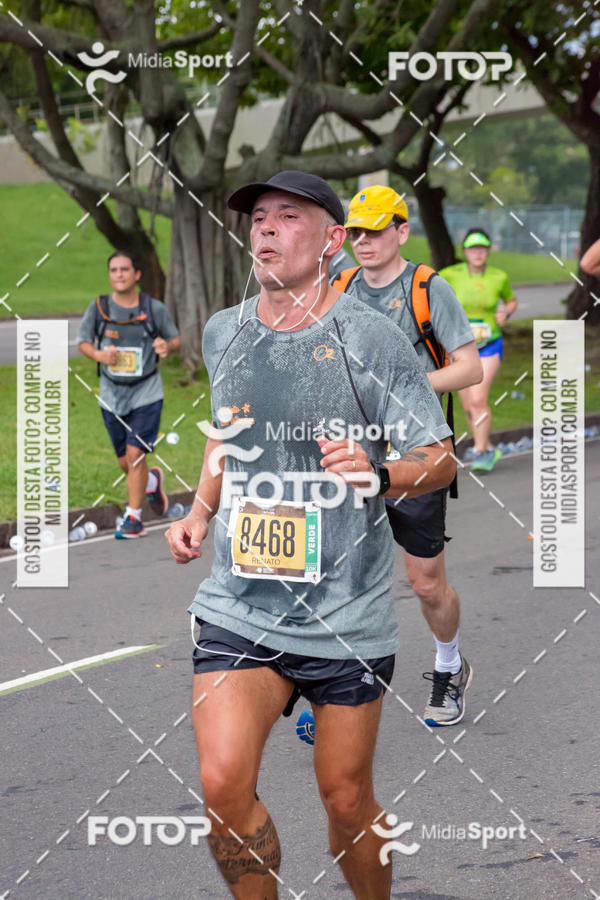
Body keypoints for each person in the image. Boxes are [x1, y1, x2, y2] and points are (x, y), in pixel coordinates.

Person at [165, 170, 456, 898]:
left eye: (287, 217)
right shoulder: (224, 330)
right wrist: (201, 511)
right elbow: (225, 438)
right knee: (223, 784)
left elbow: (440, 457)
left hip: (346, 615)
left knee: (345, 797)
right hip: (242, 602)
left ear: (332, 242)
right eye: (258, 216)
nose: (264, 227)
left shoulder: (373, 341)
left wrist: (380, 473)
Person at [333, 184, 481, 728]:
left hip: (416, 451)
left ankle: (449, 663)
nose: (364, 241)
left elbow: (470, 367)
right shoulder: (340, 285)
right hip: (350, 452)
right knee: (339, 572)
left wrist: (406, 385)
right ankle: (336, 687)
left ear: (401, 231)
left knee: (424, 581)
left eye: (376, 230)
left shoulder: (427, 289)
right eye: (355, 232)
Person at [77, 251, 180, 538]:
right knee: (125, 461)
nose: (119, 274)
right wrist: (98, 354)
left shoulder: (154, 308)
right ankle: (150, 484)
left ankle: (133, 518)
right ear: (110, 275)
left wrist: (166, 347)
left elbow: (174, 339)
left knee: (135, 456)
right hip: (111, 394)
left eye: (125, 269)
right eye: (114, 270)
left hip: (146, 392)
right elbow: (82, 342)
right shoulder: (98, 308)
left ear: (137, 275)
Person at [439, 229, 517, 472]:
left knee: (478, 398)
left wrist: (506, 312)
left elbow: (511, 300)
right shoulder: (449, 275)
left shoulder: (499, 277)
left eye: (482, 248)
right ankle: (487, 446)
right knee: (468, 406)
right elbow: (431, 294)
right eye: (473, 249)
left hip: (489, 344)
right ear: (465, 251)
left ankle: (481, 451)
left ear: (488, 251)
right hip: (459, 348)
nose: (478, 253)